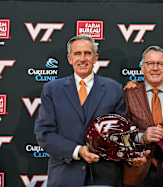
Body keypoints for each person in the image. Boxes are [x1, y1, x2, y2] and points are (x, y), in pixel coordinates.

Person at [34, 35, 148, 187]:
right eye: (77, 54)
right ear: (69, 58)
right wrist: (78, 150)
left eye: (87, 53)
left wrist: (132, 154)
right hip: (65, 177)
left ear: (95, 58)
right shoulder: (52, 90)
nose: (82, 58)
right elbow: (45, 133)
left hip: (105, 178)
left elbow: (122, 133)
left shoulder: (114, 89)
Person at [123, 45, 163, 186]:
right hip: (138, 170)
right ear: (142, 68)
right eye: (150, 63)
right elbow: (119, 131)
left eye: (160, 64)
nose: (155, 68)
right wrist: (142, 137)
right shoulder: (128, 95)